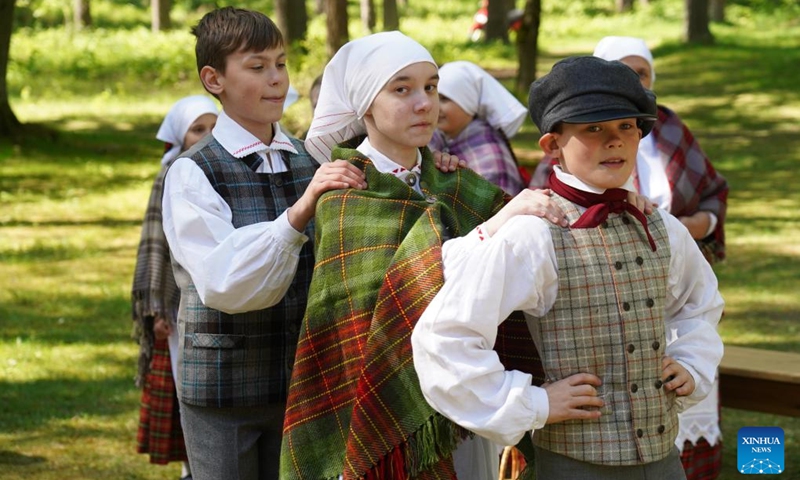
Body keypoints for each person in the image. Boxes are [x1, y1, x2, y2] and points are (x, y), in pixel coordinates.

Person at [412, 56, 725, 480]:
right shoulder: (535, 234)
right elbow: (445, 334)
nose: (613, 141)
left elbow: (700, 302)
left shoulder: (661, 226)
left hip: (664, 461)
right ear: (552, 145)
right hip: (574, 465)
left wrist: (690, 359)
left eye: (626, 127)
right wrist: (534, 403)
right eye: (593, 129)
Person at [280, 31, 568, 480]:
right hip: (386, 406)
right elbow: (405, 286)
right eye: (402, 89)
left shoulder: (454, 182)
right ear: (365, 104)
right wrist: (494, 228)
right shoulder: (347, 194)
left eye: (431, 87)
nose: (424, 103)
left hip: (467, 394)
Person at [160, 8, 368, 480]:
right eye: (257, 67)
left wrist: (432, 160)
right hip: (224, 389)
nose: (276, 79)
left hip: (306, 380)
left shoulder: (309, 159)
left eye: (281, 63)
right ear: (214, 79)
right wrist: (297, 214)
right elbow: (224, 282)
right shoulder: (193, 171)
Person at [593, 35, 729, 480]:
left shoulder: (670, 128)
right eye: (621, 73)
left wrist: (697, 228)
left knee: (684, 390)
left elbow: (712, 194)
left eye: (642, 74)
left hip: (673, 290)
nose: (634, 82)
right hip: (607, 301)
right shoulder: (581, 144)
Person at [132, 94, 218, 480]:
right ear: (179, 137)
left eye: (214, 128)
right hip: (177, 302)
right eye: (198, 129)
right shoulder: (171, 174)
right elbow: (154, 245)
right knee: (187, 384)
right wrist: (156, 308)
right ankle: (191, 465)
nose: (206, 136)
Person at [428, 61, 528, 195]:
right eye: (434, 97)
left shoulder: (489, 153)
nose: (436, 107)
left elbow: (498, 207)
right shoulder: (441, 137)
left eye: (445, 99)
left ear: (468, 103)